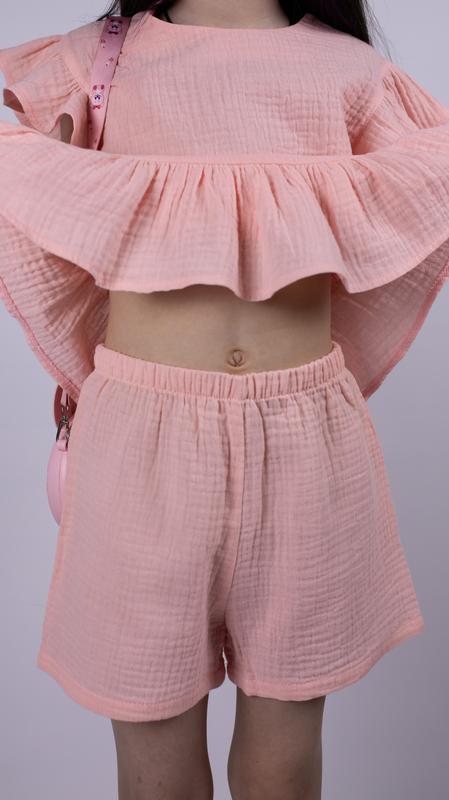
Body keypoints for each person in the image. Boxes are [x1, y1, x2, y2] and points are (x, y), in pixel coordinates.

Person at [0, 1, 448, 798]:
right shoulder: (94, 60)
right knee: (156, 772)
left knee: (282, 772)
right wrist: (53, 180)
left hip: (307, 442)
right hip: (141, 446)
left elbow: (425, 182)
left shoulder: (350, 72)